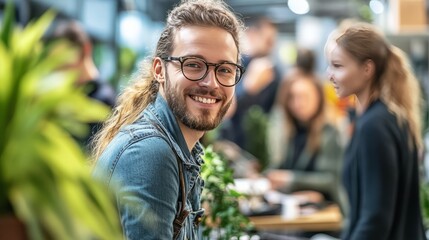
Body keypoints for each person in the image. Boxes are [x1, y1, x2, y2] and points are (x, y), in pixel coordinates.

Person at [91, 1, 245, 239]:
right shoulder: (151, 152)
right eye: (193, 65)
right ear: (159, 70)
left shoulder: (178, 147)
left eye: (225, 69)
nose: (211, 83)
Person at [325, 22, 426, 240]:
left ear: (367, 69)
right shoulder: (387, 118)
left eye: (338, 66)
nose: (329, 75)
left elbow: (375, 220)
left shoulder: (374, 125)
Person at [266, 75, 346, 214]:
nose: (298, 103)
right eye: (293, 97)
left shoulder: (330, 132)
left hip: (327, 213)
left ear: (318, 98)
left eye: (304, 97)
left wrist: (291, 179)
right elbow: (283, 167)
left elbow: (331, 180)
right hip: (297, 209)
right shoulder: (293, 131)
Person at [50, 20, 116, 149]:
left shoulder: (105, 99)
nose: (61, 69)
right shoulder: (63, 96)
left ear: (85, 49)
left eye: (65, 61)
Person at [219, 16, 282, 151]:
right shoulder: (236, 63)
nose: (270, 47)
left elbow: (271, 113)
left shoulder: (275, 72)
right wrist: (247, 88)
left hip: (258, 144)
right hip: (230, 140)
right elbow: (226, 107)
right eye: (268, 41)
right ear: (252, 35)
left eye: (272, 42)